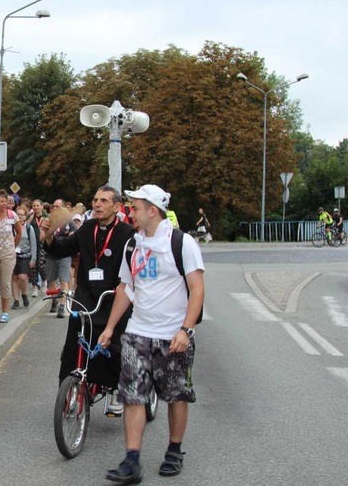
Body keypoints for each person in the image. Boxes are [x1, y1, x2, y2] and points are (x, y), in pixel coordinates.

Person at [98, 184, 204, 484]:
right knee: (132, 396)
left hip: (173, 336)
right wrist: (109, 327)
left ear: (152, 210)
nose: (129, 211)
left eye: (134, 207)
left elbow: (197, 290)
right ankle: (132, 460)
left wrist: (186, 329)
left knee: (175, 395)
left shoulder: (182, 243)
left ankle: (174, 450)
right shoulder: (133, 244)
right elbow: (126, 289)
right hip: (137, 332)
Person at [40, 186, 135, 415]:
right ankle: (72, 391)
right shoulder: (87, 229)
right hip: (85, 300)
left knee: (115, 346)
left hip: (113, 300)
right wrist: (49, 234)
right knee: (74, 347)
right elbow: (62, 249)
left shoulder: (127, 233)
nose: (98, 204)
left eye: (104, 200)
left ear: (116, 206)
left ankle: (116, 391)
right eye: (95, 200)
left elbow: (134, 270)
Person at [0, 189, 21, 324]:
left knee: (5, 283)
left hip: (7, 253)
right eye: (1, 201)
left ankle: (5, 312)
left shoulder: (12, 215)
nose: (5, 203)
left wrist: (12, 245)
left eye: (6, 201)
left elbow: (19, 232)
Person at [47, 199, 76, 318]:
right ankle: (54, 300)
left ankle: (62, 306)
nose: (55, 208)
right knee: (51, 280)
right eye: (54, 206)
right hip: (51, 255)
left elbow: (73, 235)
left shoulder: (68, 221)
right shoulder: (49, 220)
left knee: (64, 280)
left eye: (58, 206)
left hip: (64, 255)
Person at [11, 204, 36, 309]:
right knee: (14, 277)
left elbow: (33, 244)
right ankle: (16, 300)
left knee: (23, 277)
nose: (20, 216)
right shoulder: (12, 227)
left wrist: (33, 258)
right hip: (13, 255)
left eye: (22, 215)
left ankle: (24, 294)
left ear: (26, 216)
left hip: (26, 255)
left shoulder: (29, 228)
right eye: (18, 214)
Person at [29, 199, 48, 298]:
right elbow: (25, 226)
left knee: (41, 264)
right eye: (34, 206)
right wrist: (30, 217)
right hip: (32, 243)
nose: (35, 208)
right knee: (33, 265)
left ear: (42, 206)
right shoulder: (31, 217)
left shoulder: (46, 217)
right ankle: (35, 287)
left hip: (43, 243)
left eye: (37, 206)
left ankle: (44, 280)